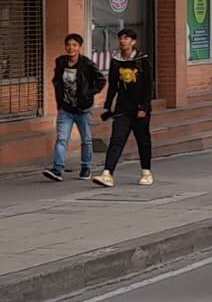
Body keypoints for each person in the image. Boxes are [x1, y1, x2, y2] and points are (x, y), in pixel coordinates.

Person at [93, 28, 154, 188]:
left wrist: (144, 107)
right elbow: (113, 85)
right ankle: (107, 173)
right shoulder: (116, 61)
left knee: (143, 140)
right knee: (117, 139)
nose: (123, 41)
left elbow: (149, 86)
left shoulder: (142, 60)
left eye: (126, 38)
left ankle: (146, 172)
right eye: (121, 38)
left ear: (133, 42)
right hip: (123, 108)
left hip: (140, 108)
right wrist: (107, 106)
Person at [44, 34, 105, 181]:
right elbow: (57, 80)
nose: (71, 48)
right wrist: (60, 100)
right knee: (62, 139)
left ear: (79, 47)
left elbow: (101, 80)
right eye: (68, 45)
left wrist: (88, 93)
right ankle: (57, 169)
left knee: (86, 139)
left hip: (83, 109)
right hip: (66, 108)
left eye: (74, 45)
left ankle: (86, 167)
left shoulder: (87, 64)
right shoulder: (61, 62)